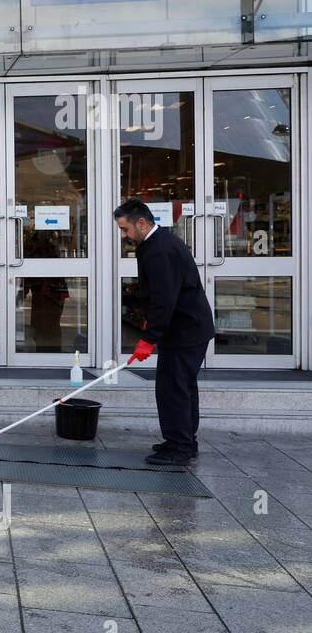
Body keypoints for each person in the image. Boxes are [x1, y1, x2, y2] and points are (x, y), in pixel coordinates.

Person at [114, 198, 215, 464]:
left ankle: (180, 448)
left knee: (173, 389)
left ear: (142, 222)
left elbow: (164, 298)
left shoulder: (160, 250)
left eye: (125, 229)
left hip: (186, 330)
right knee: (181, 387)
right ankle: (182, 441)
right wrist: (152, 330)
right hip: (186, 328)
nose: (124, 236)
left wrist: (149, 338)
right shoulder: (155, 244)